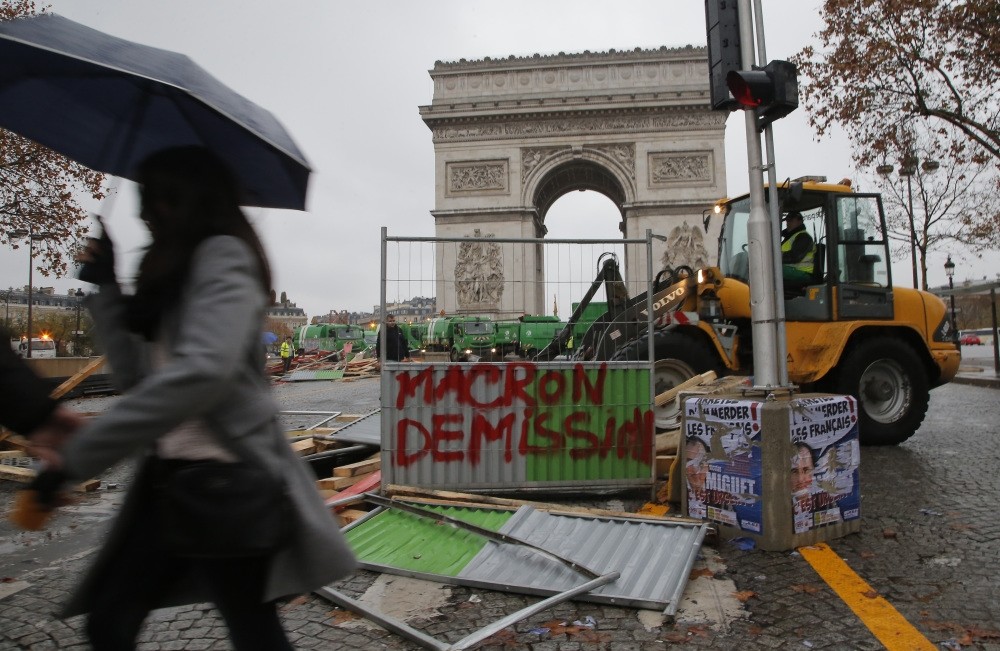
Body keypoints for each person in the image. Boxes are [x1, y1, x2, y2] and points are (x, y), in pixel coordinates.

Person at [40, 146, 355, 650]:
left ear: (179, 199)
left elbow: (200, 374)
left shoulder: (224, 257)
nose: (141, 212)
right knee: (115, 620)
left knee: (243, 630)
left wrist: (77, 457)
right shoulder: (171, 271)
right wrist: (108, 289)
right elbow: (140, 380)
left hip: (225, 477)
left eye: (150, 198)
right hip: (166, 477)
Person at [780, 211, 815, 284]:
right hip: (790, 270)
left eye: (791, 221)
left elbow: (795, 257)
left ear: (800, 221)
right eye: (787, 221)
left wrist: (775, 257)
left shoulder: (804, 237)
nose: (788, 223)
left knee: (771, 270)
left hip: (802, 272)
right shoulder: (789, 238)